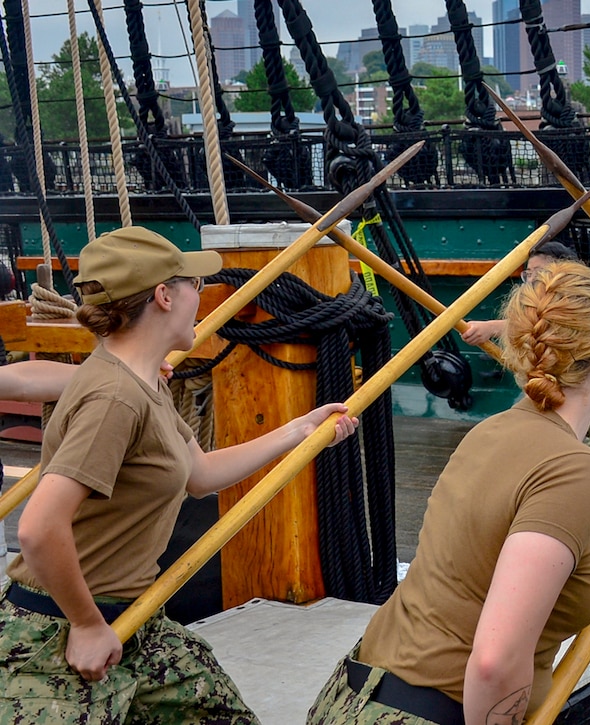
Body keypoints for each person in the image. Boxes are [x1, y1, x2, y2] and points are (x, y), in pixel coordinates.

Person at [308, 261, 590, 725]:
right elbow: (493, 662)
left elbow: (556, 566)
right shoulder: (573, 467)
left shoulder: (491, 431)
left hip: (354, 696)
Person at [0, 226, 359, 724]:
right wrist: (85, 625)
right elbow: (38, 529)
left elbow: (201, 474)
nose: (202, 296)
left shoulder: (144, 382)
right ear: (165, 296)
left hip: (135, 620)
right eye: (193, 283)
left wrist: (300, 429)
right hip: (58, 630)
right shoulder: (114, 399)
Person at [462, 241, 590, 532]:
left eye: (542, 274)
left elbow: (550, 326)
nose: (534, 282)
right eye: (529, 276)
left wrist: (492, 326)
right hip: (573, 414)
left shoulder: (580, 313)